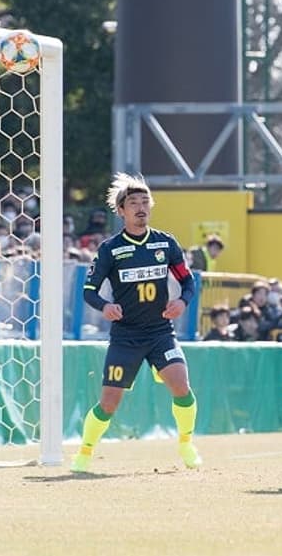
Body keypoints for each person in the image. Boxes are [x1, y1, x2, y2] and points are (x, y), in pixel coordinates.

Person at [71, 173, 201, 472]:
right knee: (109, 404)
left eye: (145, 202)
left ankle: (186, 443)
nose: (140, 207)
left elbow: (188, 282)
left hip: (160, 333)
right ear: (121, 211)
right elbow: (89, 291)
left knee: (182, 386)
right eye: (133, 203)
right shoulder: (110, 249)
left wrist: (182, 301)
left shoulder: (166, 243)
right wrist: (106, 306)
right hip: (125, 338)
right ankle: (85, 452)